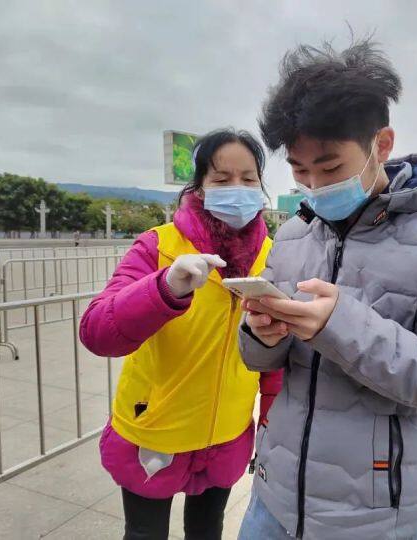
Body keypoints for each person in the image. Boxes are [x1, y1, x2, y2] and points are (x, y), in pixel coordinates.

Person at [237, 39, 417, 540]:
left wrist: (340, 325)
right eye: (299, 170)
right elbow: (263, 361)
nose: (314, 184)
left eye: (330, 167)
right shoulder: (292, 234)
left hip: (372, 514)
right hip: (274, 496)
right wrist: (261, 335)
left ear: (382, 144)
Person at [79, 129, 283, 540]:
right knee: (145, 534)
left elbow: (275, 356)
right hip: (155, 431)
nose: (238, 189)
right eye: (222, 179)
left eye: (248, 179)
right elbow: (98, 332)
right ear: (200, 187)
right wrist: (164, 288)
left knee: (207, 531)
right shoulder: (158, 245)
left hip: (227, 434)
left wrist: (270, 422)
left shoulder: (272, 255)